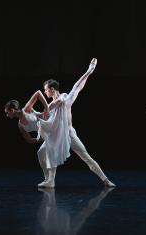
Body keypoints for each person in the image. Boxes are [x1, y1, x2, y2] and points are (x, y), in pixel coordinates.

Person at [40, 58, 116, 188]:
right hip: (57, 134)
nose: (45, 92)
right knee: (43, 153)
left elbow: (77, 87)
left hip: (69, 133)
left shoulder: (65, 99)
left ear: (52, 89)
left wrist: (89, 71)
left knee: (85, 156)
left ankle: (105, 180)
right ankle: (50, 180)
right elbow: (46, 113)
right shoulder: (50, 106)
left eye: (46, 89)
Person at [4, 90, 50, 184]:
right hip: (49, 135)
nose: (7, 115)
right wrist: (42, 139)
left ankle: (50, 179)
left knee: (51, 155)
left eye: (7, 112)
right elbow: (29, 140)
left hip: (52, 124)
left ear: (12, 110)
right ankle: (48, 179)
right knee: (40, 154)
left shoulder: (26, 110)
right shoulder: (20, 125)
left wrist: (46, 108)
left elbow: (38, 93)